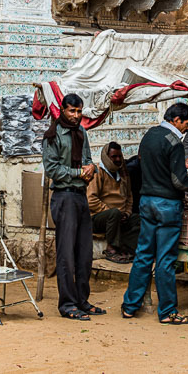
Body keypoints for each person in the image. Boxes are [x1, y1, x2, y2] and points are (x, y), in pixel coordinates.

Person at [122, 102, 188, 325]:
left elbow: (152, 165)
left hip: (147, 201)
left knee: (143, 255)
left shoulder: (149, 135)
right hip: (167, 205)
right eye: (187, 124)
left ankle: (129, 306)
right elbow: (178, 181)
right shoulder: (174, 141)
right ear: (176, 120)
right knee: (165, 260)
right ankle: (167, 312)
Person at [41, 93, 105, 321]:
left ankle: (82, 301)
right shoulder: (52, 135)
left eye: (79, 111)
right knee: (66, 254)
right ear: (63, 110)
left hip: (80, 196)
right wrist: (79, 173)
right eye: (72, 111)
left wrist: (91, 169)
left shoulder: (81, 132)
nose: (76, 115)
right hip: (64, 197)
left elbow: (87, 160)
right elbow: (52, 169)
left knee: (84, 254)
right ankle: (67, 304)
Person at [88, 141, 141, 262]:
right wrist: (111, 211)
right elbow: (90, 199)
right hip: (97, 218)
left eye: (119, 156)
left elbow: (129, 197)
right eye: (114, 156)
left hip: (118, 216)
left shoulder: (123, 173)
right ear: (107, 157)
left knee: (138, 219)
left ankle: (127, 248)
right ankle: (111, 249)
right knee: (114, 214)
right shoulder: (98, 172)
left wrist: (126, 213)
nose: (117, 159)